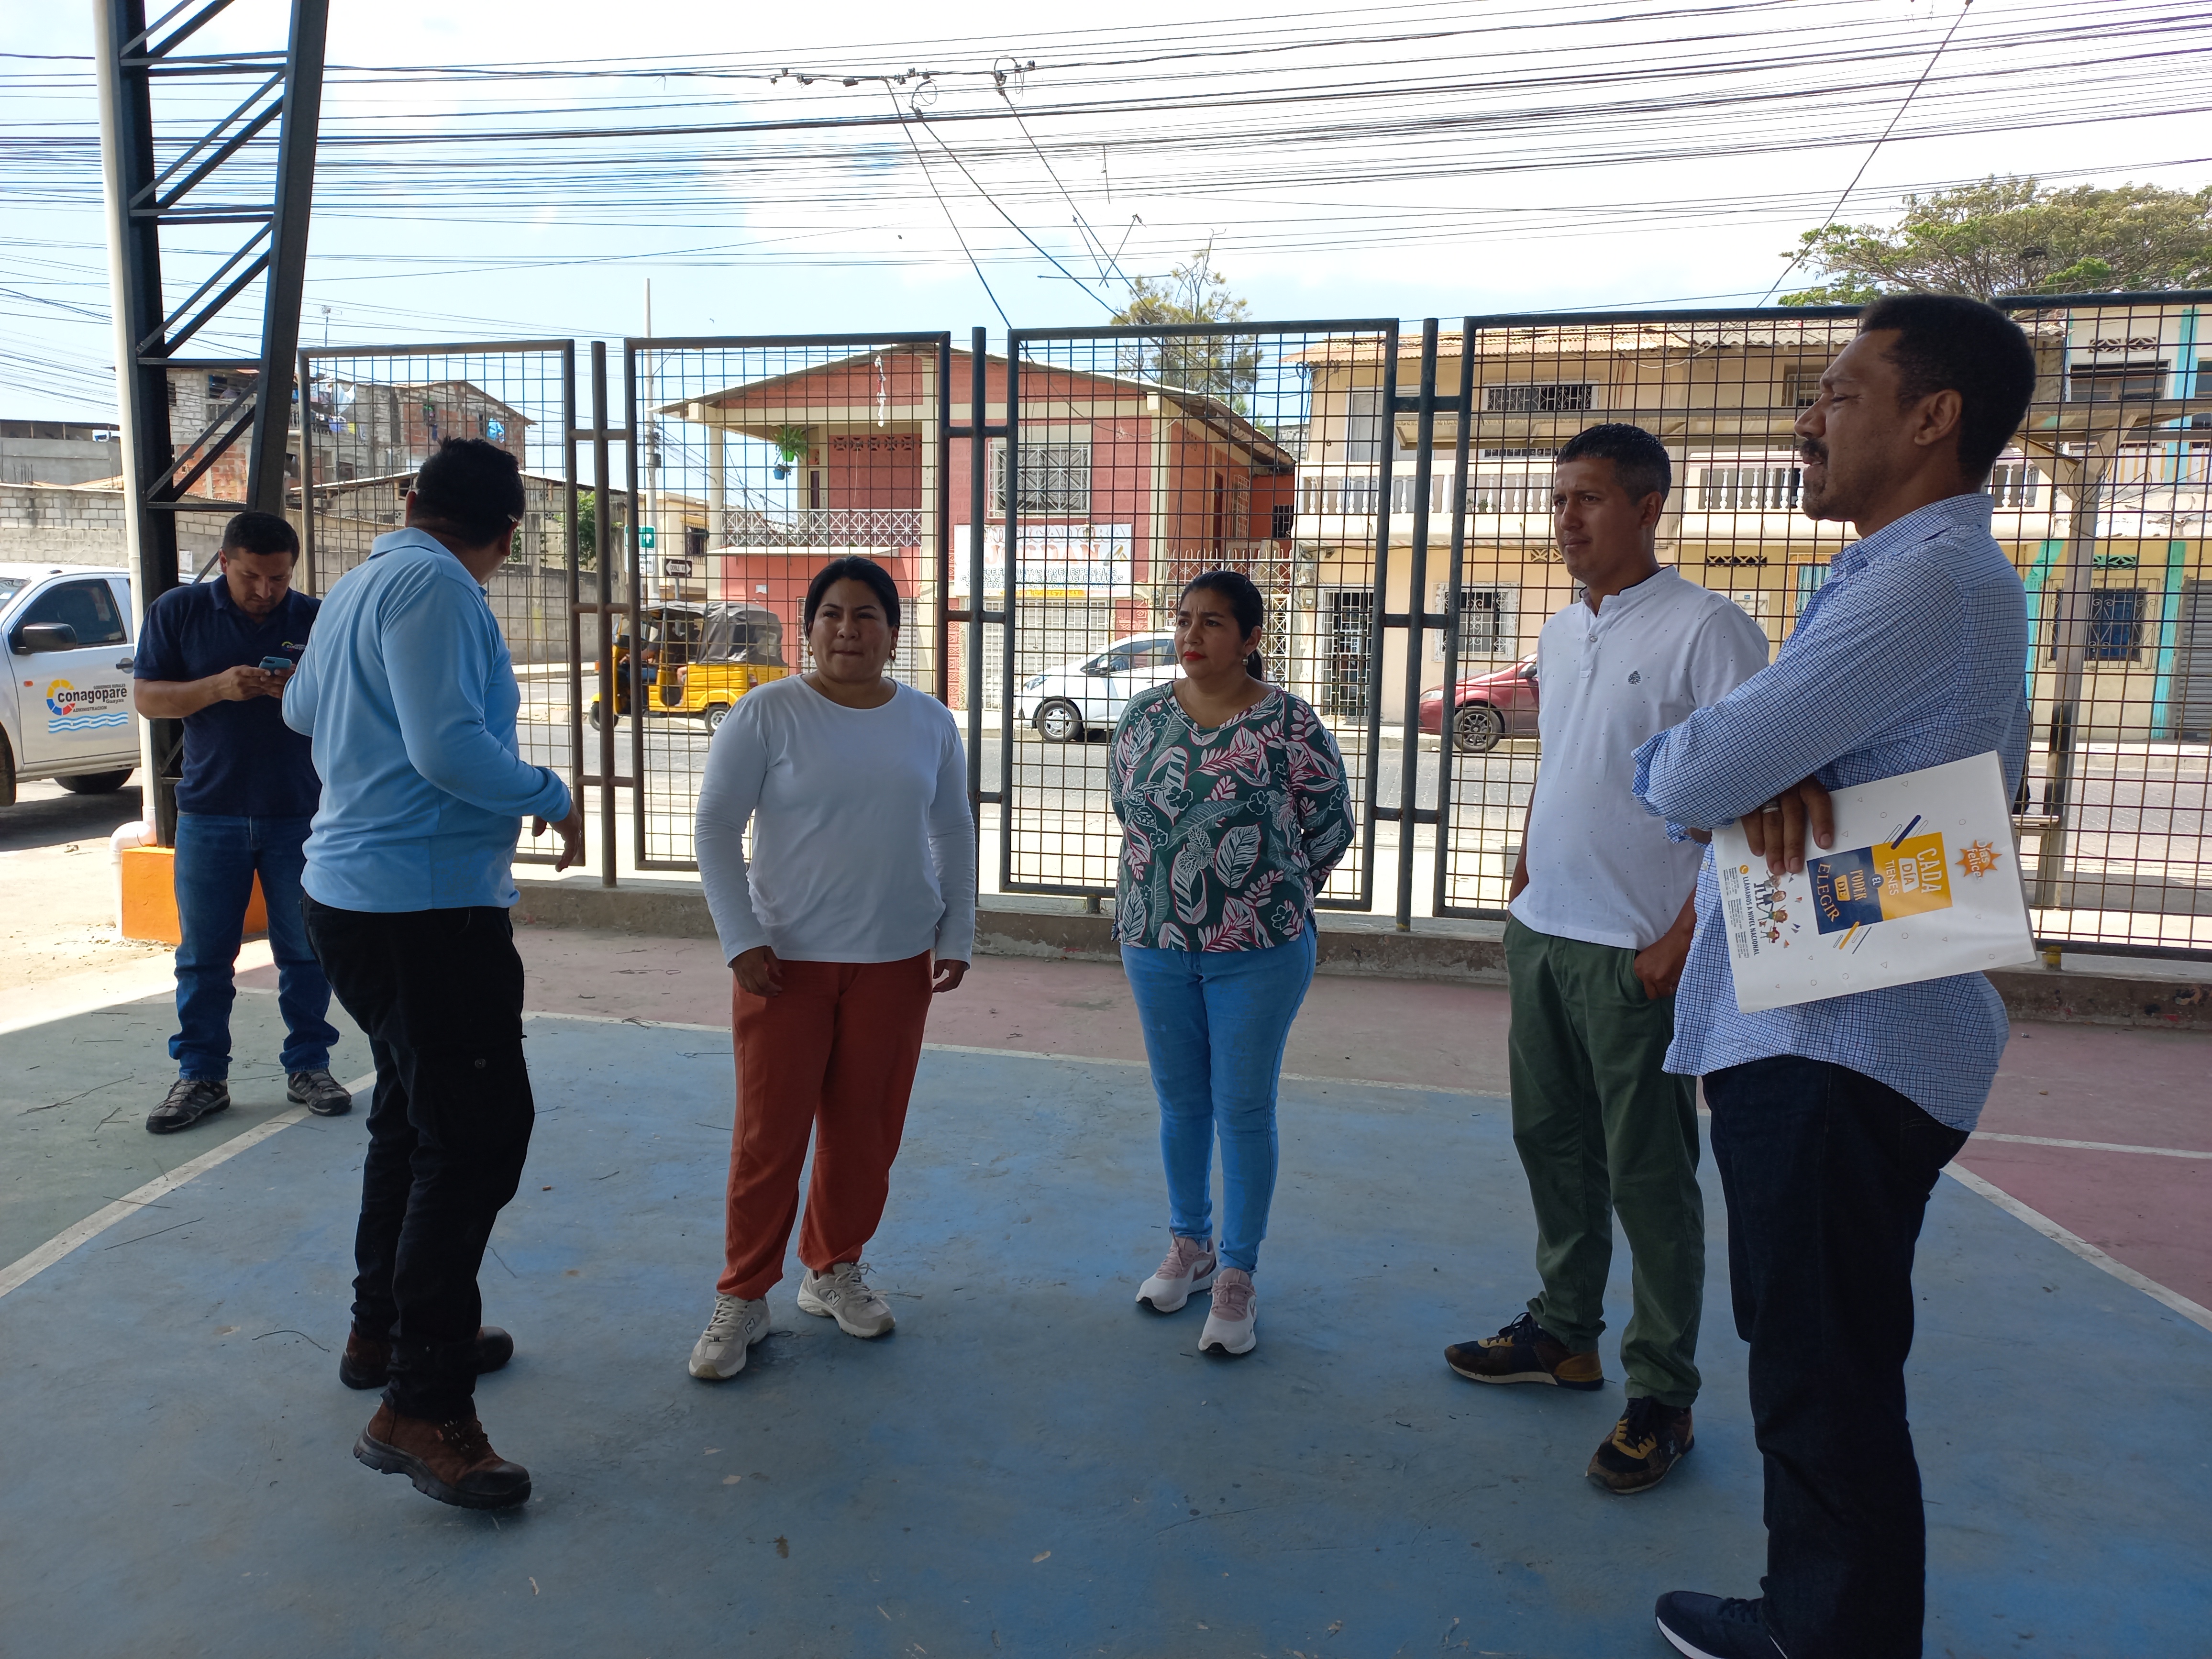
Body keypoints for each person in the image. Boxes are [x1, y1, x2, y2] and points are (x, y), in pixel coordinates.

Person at [1634, 295, 2038, 1659]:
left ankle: (1829, 1637)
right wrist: (1758, 772)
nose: (1806, 421)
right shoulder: (1919, 579)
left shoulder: (1925, 583)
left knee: (1823, 1373)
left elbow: (1691, 775)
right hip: (1833, 1028)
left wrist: (1729, 771)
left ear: (1934, 418)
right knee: (1820, 1359)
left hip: (1836, 1040)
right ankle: (1819, 1613)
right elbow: (1775, 773)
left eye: (1838, 392)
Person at [1443, 425, 1770, 1494]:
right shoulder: (1560, 626)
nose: (1566, 519)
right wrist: (1525, 873)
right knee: (1550, 1145)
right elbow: (1566, 761)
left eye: (1587, 498)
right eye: (1558, 500)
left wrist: (1684, 937)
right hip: (1546, 934)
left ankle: (1661, 1394)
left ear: (1647, 506)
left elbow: (1752, 800)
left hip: (1637, 952)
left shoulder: (1709, 630)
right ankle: (1562, 1333)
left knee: (1649, 1178)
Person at [283, 437, 584, 1511]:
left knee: (414, 1120)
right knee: (475, 1140)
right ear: (507, 535)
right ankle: (422, 1405)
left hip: (357, 900)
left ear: (411, 499)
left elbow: (300, 712)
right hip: (422, 911)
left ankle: (387, 1332)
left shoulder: (360, 584)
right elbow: (448, 751)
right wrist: (549, 792)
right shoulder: (442, 590)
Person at [687, 554, 974, 1382]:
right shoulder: (767, 713)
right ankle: (744, 1294)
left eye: (867, 615)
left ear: (894, 632)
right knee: (768, 1138)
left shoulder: (929, 722)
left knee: (865, 1133)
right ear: (808, 630)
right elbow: (715, 829)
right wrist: (740, 937)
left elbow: (952, 830)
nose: (849, 630)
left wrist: (957, 931)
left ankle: (833, 1267)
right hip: (785, 964)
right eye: (832, 615)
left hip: (895, 960)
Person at [1111, 570, 1354, 1358]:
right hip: (1154, 942)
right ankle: (1191, 1245)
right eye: (1184, 619)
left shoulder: (1289, 722)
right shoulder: (1144, 717)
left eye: (1213, 622)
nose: (1192, 635)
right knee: (1181, 1104)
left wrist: (1269, 896)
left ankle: (1238, 1273)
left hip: (1259, 953)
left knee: (1243, 1108)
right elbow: (1131, 812)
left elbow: (1330, 826)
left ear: (1251, 638)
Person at [132, 510, 349, 1133]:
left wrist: (298, 693)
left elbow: (352, 704)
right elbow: (148, 698)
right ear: (224, 562)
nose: (265, 591)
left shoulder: (318, 619)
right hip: (209, 812)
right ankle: (201, 1075)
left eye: (279, 578)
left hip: (300, 813)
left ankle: (309, 1066)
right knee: (203, 957)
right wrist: (218, 688)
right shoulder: (180, 612)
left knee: (305, 952)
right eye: (252, 576)